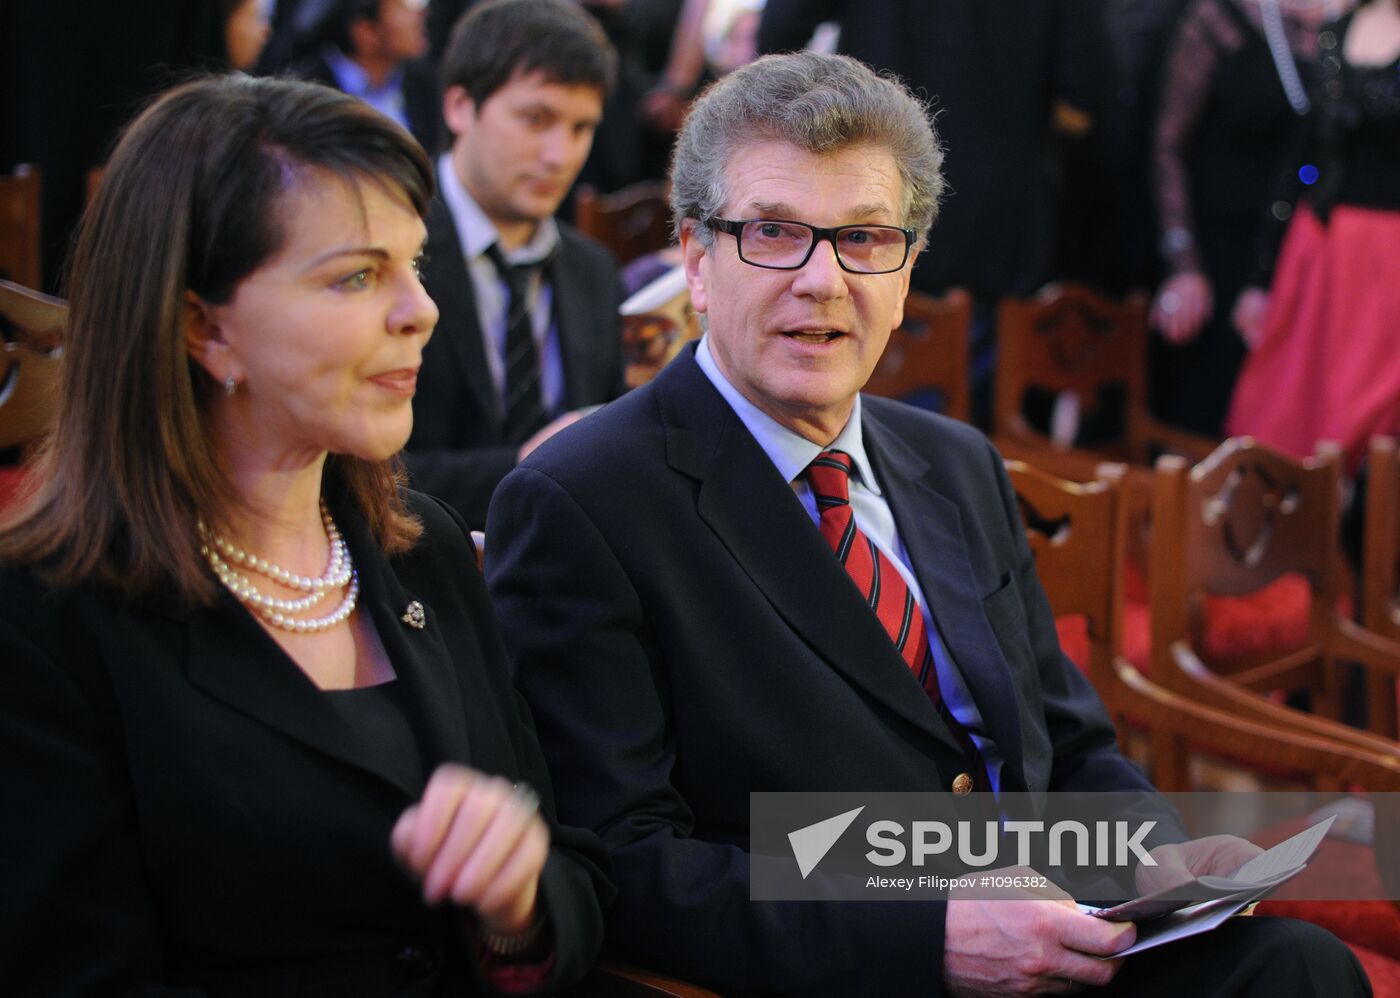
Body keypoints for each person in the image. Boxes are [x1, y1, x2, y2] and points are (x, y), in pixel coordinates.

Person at [484, 52, 1369, 996]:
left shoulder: (955, 463)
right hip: (852, 970)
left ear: (907, 275)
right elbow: (628, 862)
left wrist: (1160, 864)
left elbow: (1071, 748)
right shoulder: (584, 501)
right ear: (698, 263)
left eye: (866, 238)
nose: (822, 281)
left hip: (1062, 929)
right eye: (776, 233)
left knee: (1302, 969)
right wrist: (929, 935)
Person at [0, 74, 611, 995]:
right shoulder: (42, 619)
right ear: (205, 328)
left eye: (417, 264)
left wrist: (517, 912)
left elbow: (569, 868)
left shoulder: (425, 549)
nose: (422, 309)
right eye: (358, 275)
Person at [405, 0, 627, 529]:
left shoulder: (593, 270)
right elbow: (359, 469)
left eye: (581, 128)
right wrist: (527, 466)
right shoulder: (393, 248)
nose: (561, 155)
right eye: (536, 119)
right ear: (460, 106)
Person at [1147, 0, 1338, 436]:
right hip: (1216, 248)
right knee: (1204, 411)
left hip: (1298, 254)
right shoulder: (1220, 20)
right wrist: (1183, 263)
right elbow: (1167, 146)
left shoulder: (1340, 27)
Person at [1225, 0, 1400, 470]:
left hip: (1386, 263)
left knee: (1365, 421)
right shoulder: (1338, 30)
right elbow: (1301, 159)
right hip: (1318, 247)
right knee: (1283, 414)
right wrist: (1260, 277)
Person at [289, 0, 440, 151]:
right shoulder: (305, 96)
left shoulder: (425, 82)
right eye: (401, 7)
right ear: (364, 32)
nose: (419, 14)